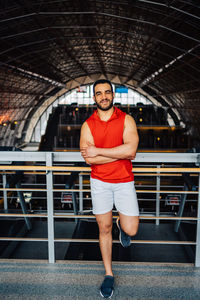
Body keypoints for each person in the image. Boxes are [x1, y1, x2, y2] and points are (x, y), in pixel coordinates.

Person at [80, 79, 139, 298]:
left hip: (124, 180)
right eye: (98, 93)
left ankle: (121, 225)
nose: (103, 96)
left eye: (107, 92)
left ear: (113, 95)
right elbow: (88, 160)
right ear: (93, 97)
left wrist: (99, 153)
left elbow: (131, 151)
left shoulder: (126, 120)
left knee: (131, 229)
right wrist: (117, 152)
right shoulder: (88, 125)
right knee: (103, 229)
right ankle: (108, 275)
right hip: (100, 183)